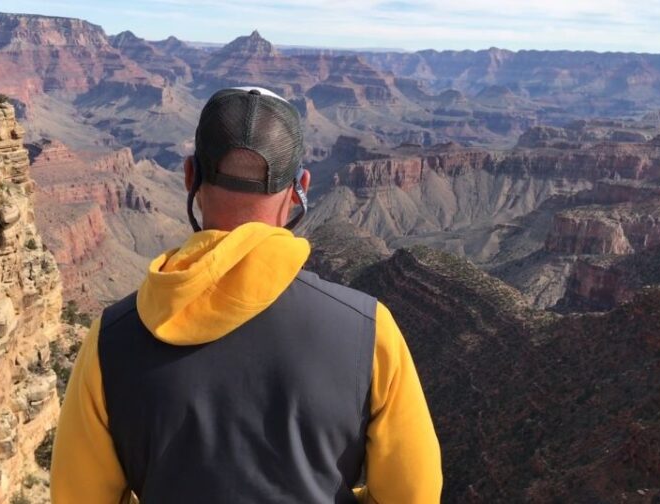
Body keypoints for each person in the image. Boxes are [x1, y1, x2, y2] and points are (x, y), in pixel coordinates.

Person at [50, 87, 442, 503]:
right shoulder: (370, 331)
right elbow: (414, 494)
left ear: (188, 176)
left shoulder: (109, 341)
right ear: (300, 188)